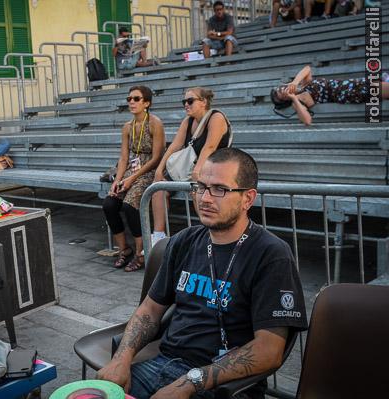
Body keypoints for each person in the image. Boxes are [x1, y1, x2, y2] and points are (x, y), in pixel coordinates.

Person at [98, 148, 308, 399]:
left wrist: (188, 383)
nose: (205, 199)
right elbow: (150, 310)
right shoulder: (184, 241)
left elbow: (269, 351)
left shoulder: (271, 254)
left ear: (248, 199)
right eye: (200, 187)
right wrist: (121, 359)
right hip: (161, 365)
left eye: (220, 189)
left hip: (223, 385)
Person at [151, 88, 231, 246]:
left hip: (217, 167)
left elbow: (210, 146)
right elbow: (175, 145)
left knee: (199, 190)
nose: (186, 105)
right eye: (184, 102)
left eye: (190, 101)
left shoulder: (216, 117)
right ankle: (158, 236)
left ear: (204, 102)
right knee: (157, 188)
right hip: (191, 168)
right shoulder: (188, 121)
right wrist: (159, 169)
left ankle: (209, 234)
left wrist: (198, 170)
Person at [102, 86, 165, 272]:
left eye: (136, 99)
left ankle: (141, 252)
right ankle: (124, 249)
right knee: (109, 204)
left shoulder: (155, 123)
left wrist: (132, 179)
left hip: (149, 171)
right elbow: (123, 158)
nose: (131, 102)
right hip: (131, 171)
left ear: (147, 103)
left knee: (130, 206)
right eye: (129, 98)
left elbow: (156, 158)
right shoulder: (127, 127)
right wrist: (118, 180)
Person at [270, 65, 389, 125]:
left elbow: (307, 69)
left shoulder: (302, 84)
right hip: (349, 93)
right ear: (286, 100)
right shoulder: (298, 101)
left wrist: (295, 82)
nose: (283, 89)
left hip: (352, 83)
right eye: (282, 94)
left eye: (281, 88)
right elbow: (307, 121)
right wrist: (294, 99)